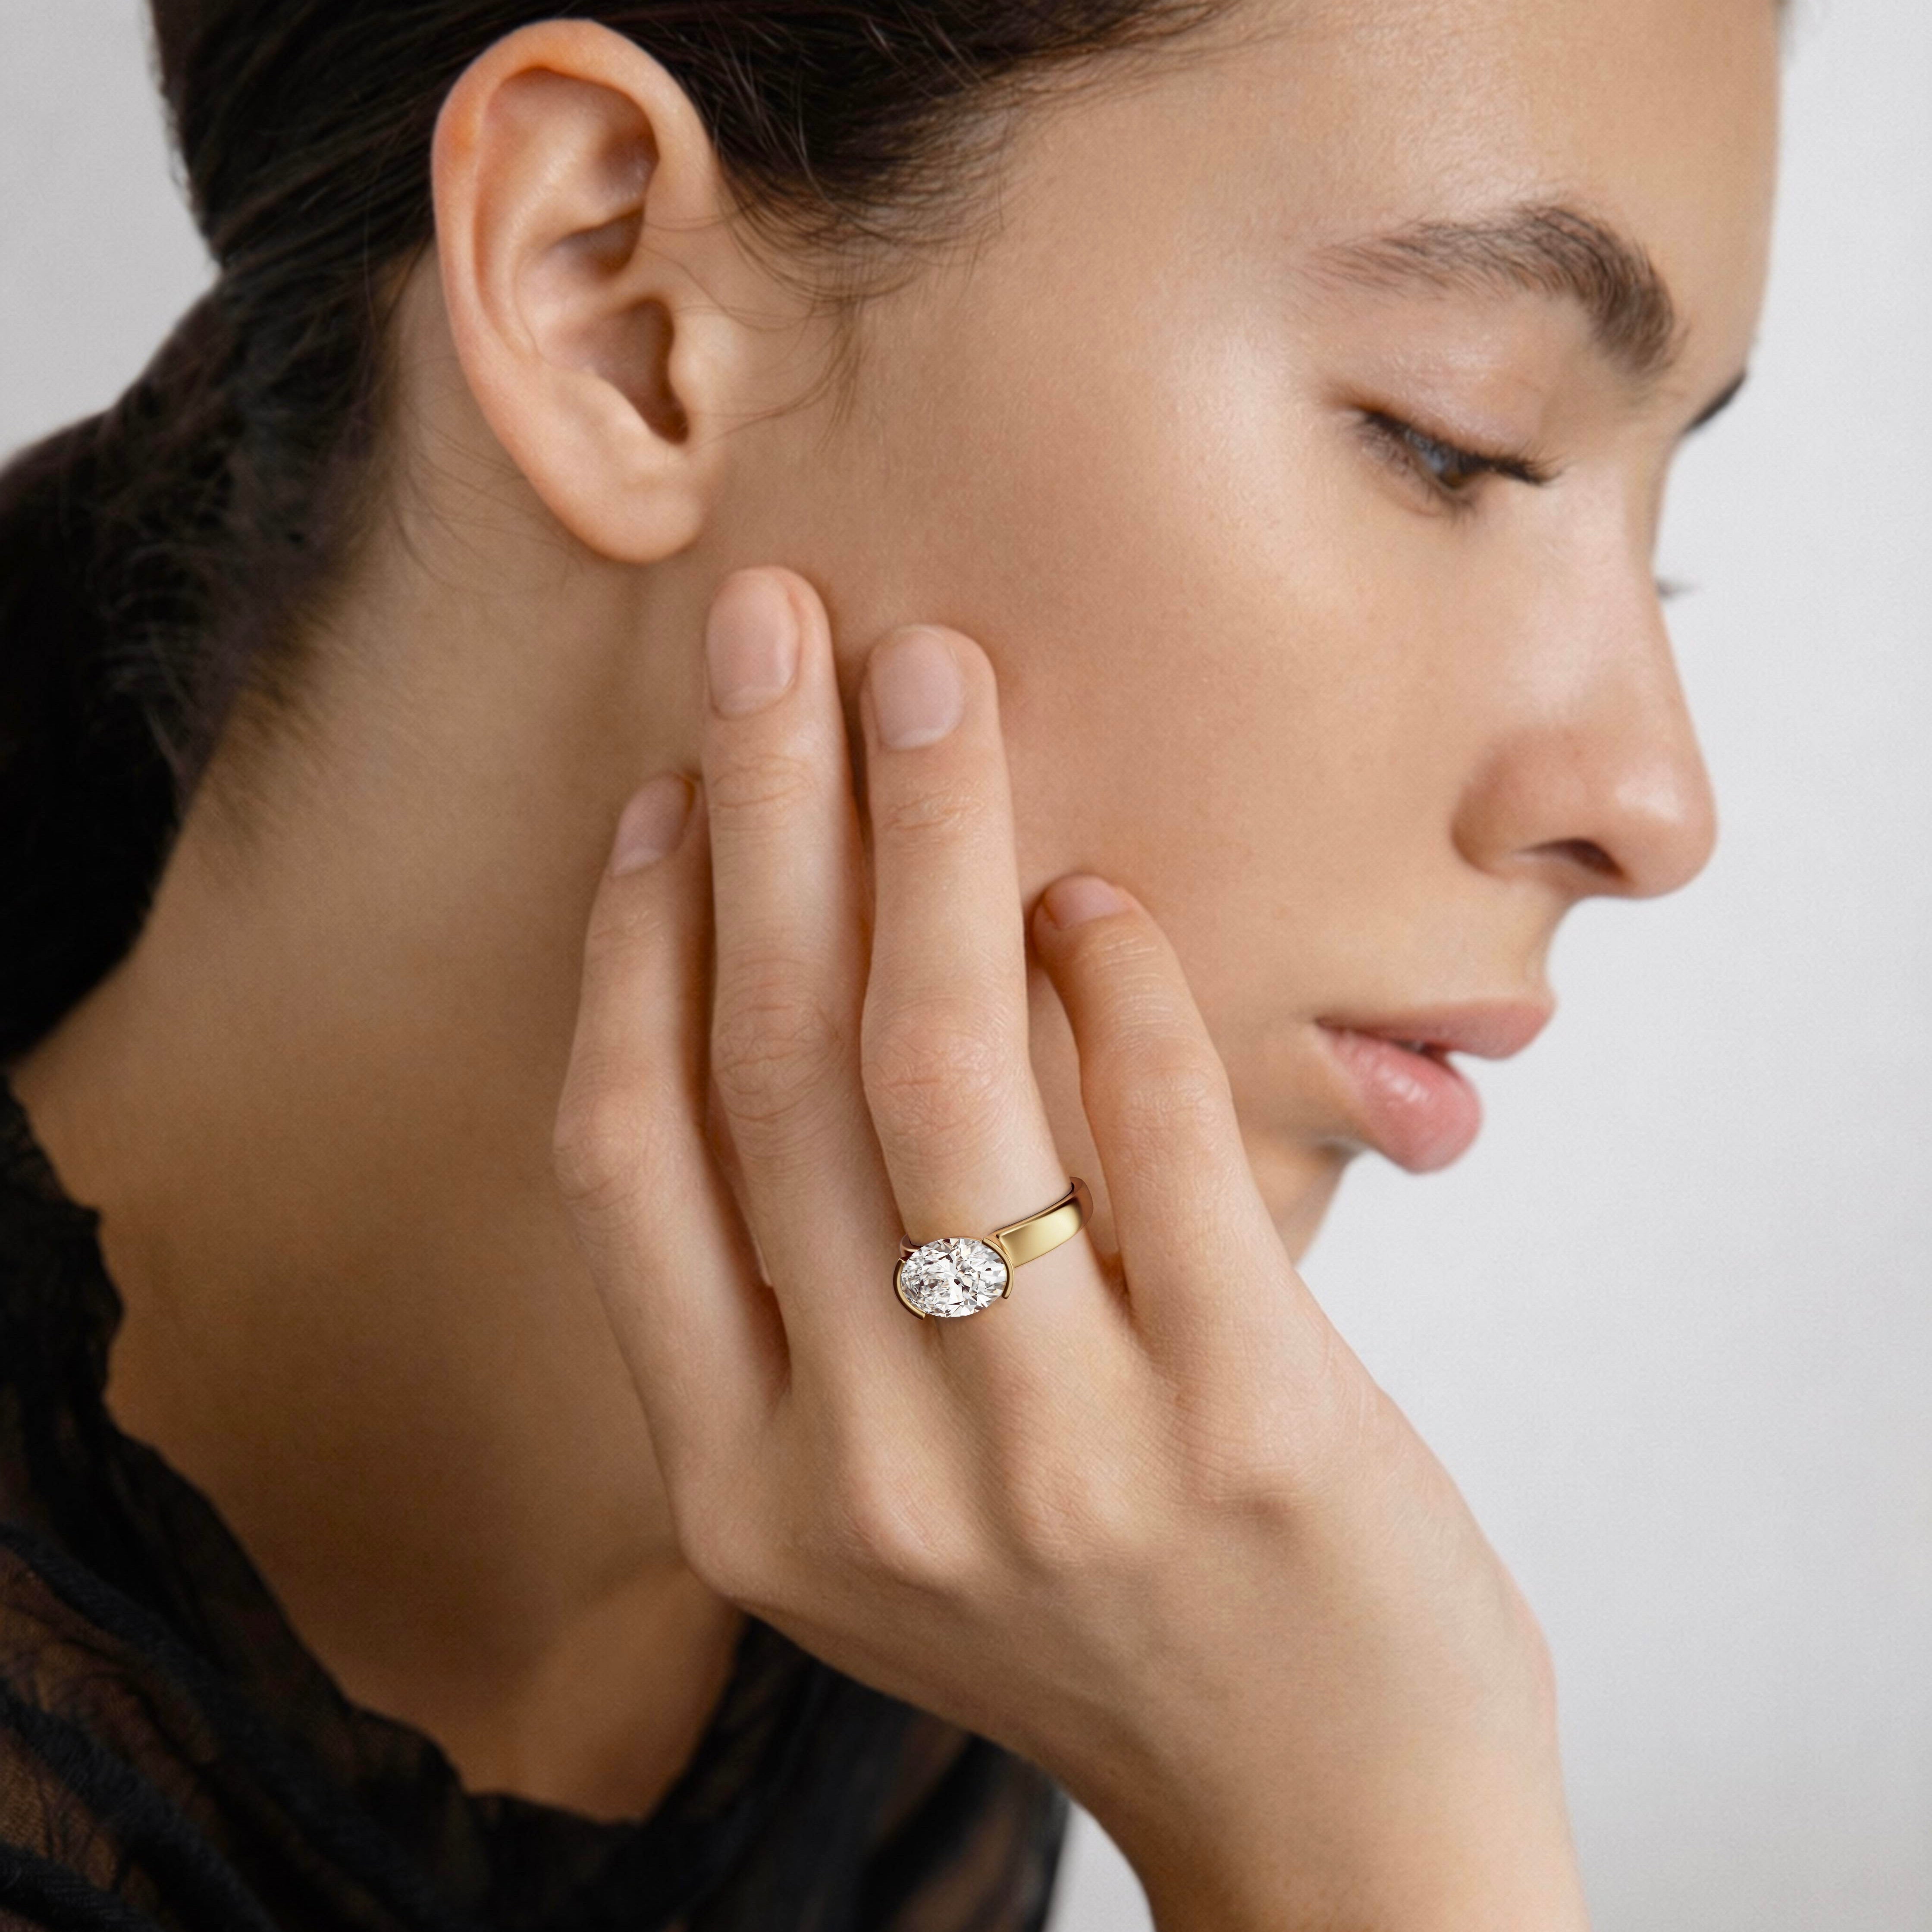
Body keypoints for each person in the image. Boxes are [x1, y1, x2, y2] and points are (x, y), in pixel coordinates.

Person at [0, 0, 1779, 1926]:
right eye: (1454, 441)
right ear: (615, 310)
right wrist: (1370, 1859)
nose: (1650, 802)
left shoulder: (976, 1572)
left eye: (1656, 533)